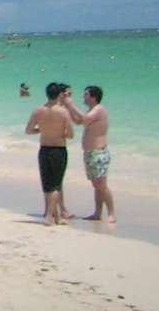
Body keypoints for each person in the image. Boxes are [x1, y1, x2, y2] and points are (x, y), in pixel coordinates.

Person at [62, 84, 115, 223]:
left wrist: (71, 103)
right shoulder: (91, 111)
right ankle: (97, 213)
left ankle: (111, 213)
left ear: (93, 97)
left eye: (86, 94)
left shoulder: (99, 109)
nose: (83, 97)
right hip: (90, 153)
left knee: (101, 185)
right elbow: (78, 121)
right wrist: (68, 106)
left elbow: (84, 118)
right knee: (96, 185)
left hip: (98, 153)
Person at [25, 82, 74, 225]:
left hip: (44, 149)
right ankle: (49, 216)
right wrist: (60, 133)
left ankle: (54, 215)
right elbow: (71, 134)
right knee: (56, 184)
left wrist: (42, 130)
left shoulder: (38, 110)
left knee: (47, 184)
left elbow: (28, 130)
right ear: (59, 95)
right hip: (58, 149)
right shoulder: (63, 112)